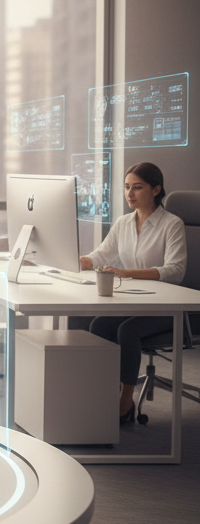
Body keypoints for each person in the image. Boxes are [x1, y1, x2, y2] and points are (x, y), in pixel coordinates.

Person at [78, 162, 186, 423]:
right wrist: (79, 259)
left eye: (137, 187)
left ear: (156, 189)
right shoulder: (123, 222)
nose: (130, 193)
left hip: (167, 306)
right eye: (127, 187)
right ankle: (105, 394)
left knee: (128, 330)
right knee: (100, 325)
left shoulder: (172, 224)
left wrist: (127, 273)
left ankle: (125, 402)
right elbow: (101, 256)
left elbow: (175, 270)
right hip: (136, 301)